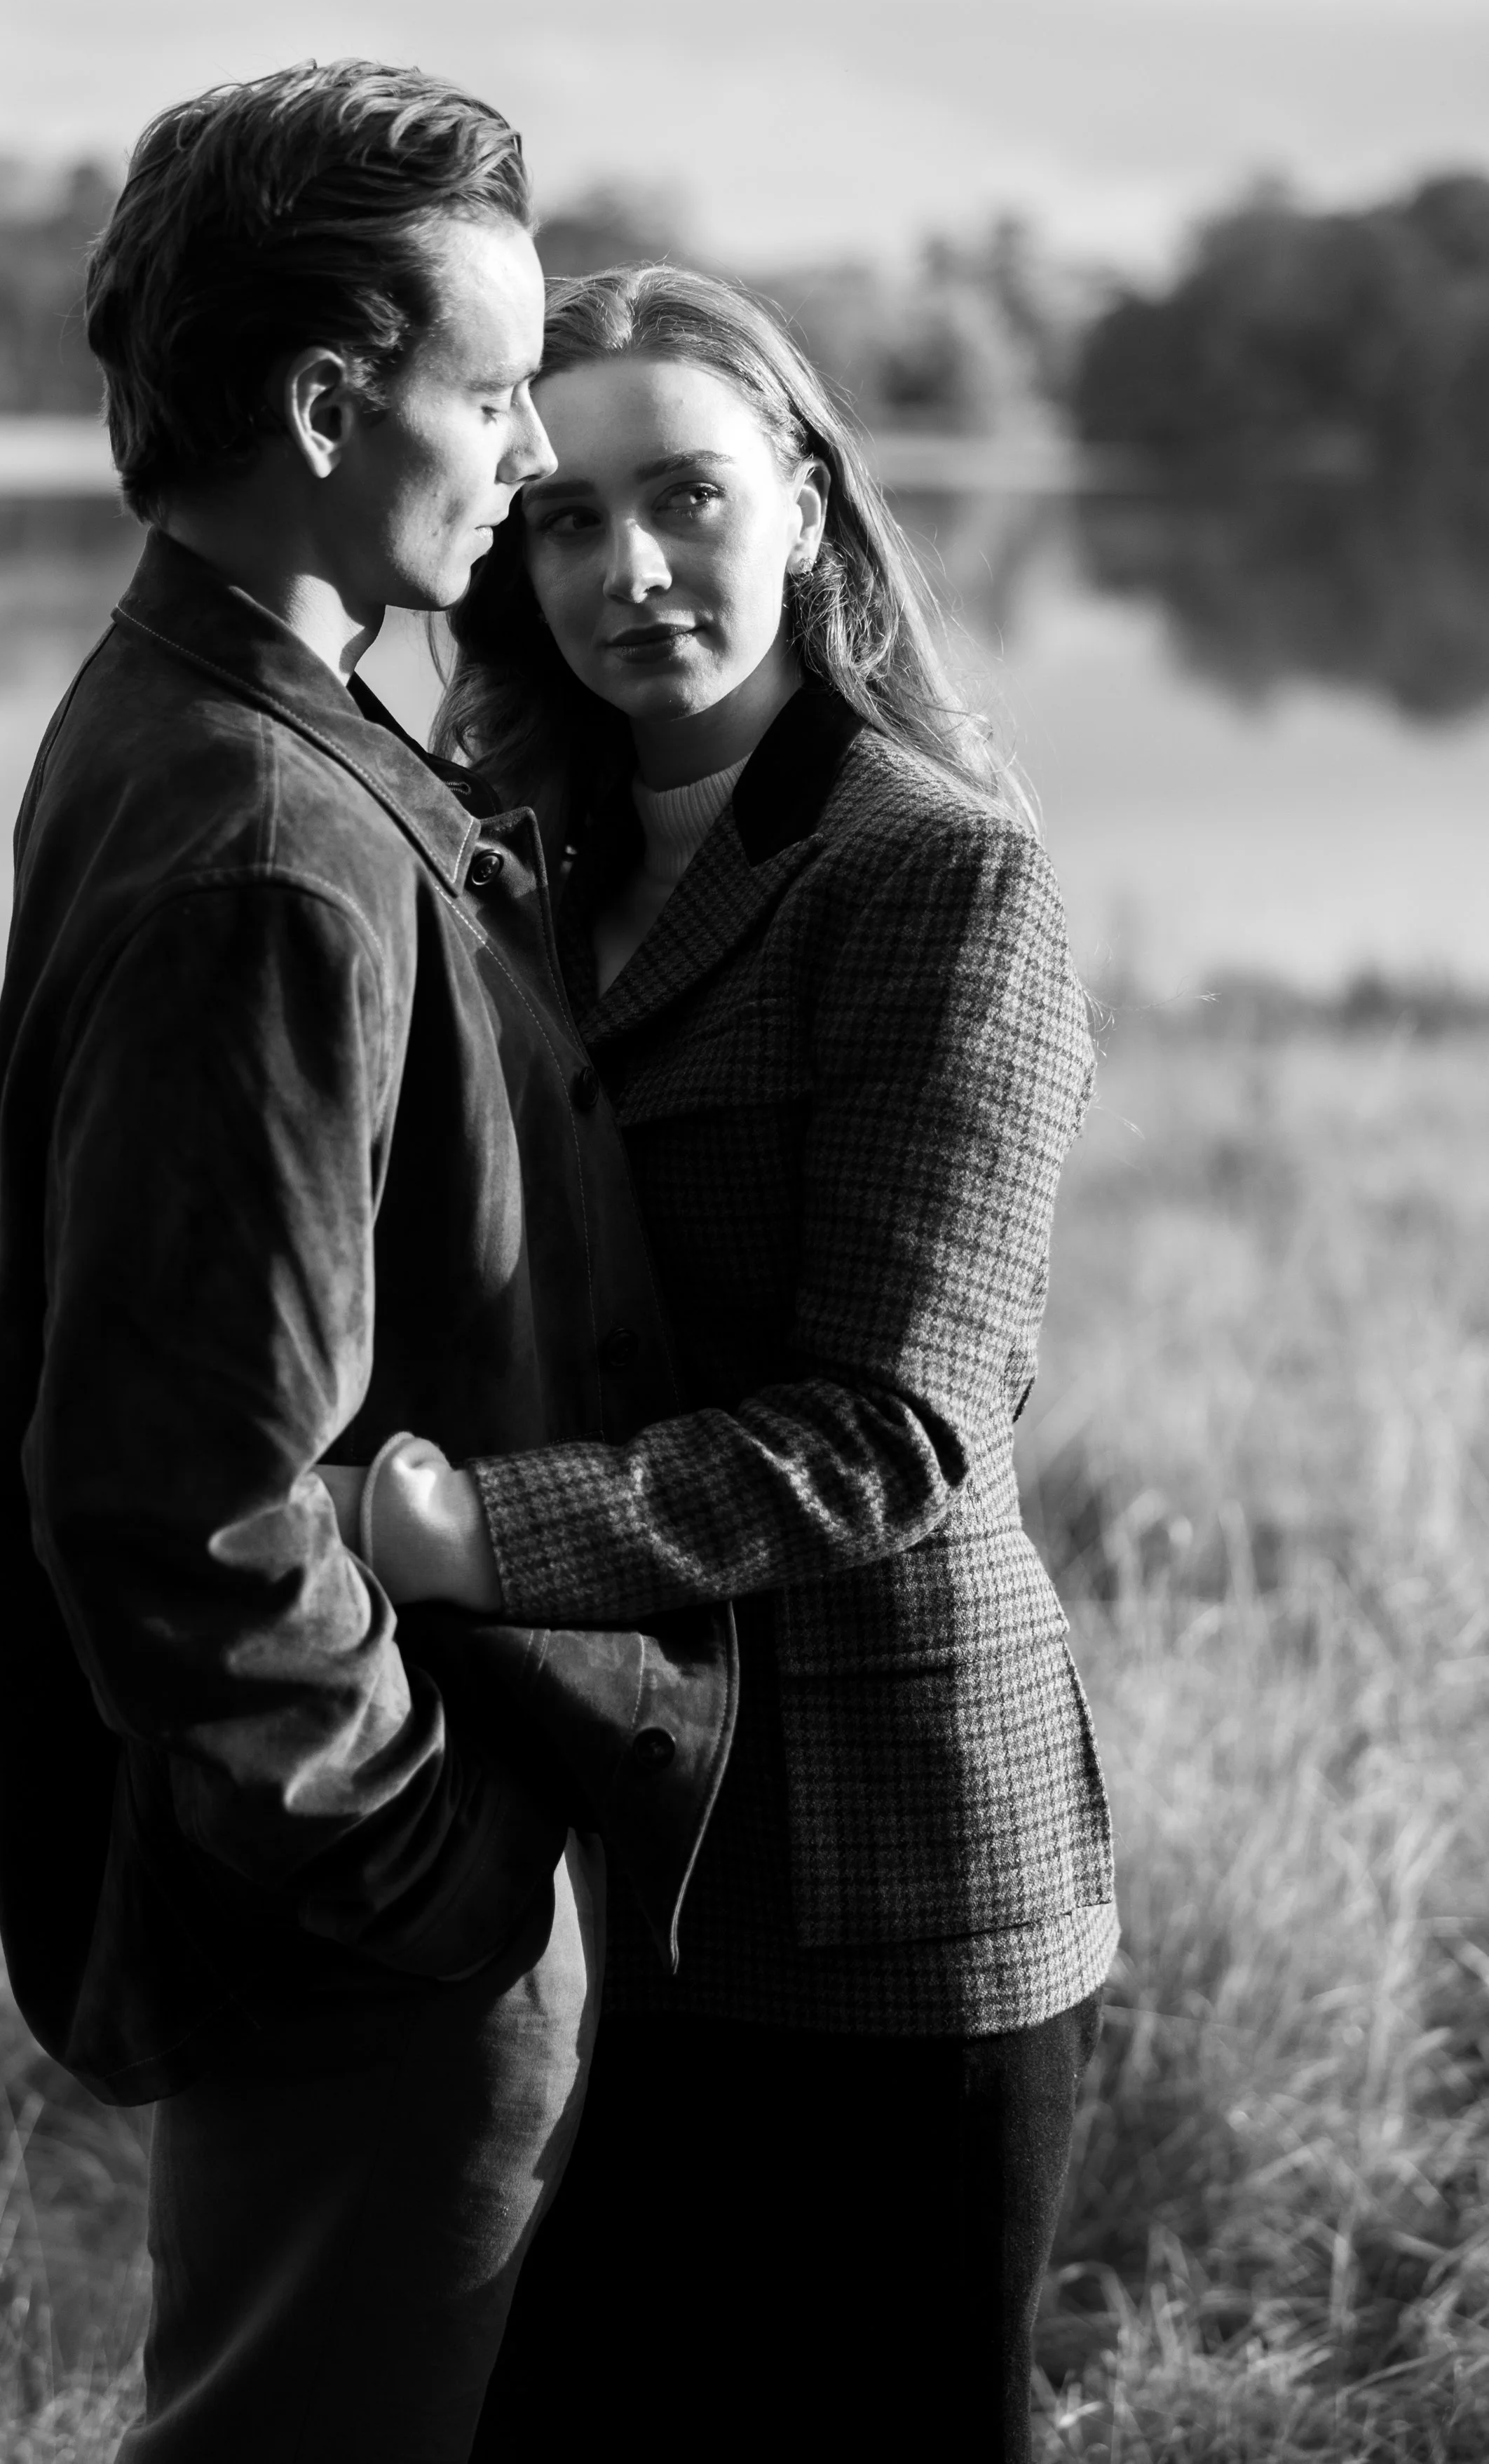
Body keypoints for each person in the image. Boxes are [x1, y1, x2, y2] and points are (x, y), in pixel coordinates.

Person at [0, 72, 735, 2464]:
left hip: (349, 1894)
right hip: (367, 1916)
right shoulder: (267, 840)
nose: (520, 453)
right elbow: (180, 1495)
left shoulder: (204, 708)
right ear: (323, 402)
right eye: (491, 392)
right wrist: (420, 1865)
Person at [323, 264, 1117, 2463]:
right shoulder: (515, 865)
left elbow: (897, 1423)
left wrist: (473, 1526)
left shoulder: (934, 878)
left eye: (684, 494)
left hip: (892, 1863)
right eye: (563, 516)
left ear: (811, 507)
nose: (626, 567)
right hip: (617, 1839)